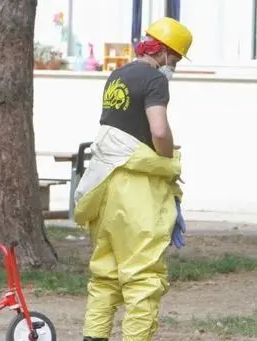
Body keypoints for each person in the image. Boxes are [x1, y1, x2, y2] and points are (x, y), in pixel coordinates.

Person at [73, 17, 192, 341]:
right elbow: (157, 129)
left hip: (105, 185)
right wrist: (166, 158)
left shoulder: (118, 75)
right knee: (142, 277)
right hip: (137, 190)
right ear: (166, 52)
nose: (175, 66)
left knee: (106, 275)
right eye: (177, 58)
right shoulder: (155, 80)